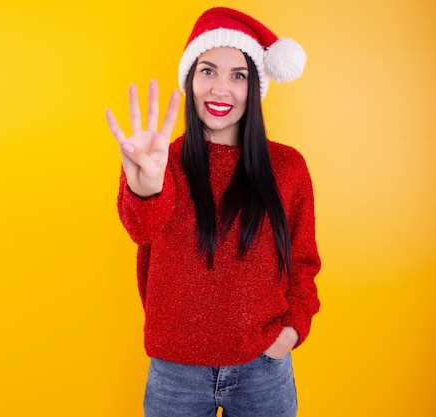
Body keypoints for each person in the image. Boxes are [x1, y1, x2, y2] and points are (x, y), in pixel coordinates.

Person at [105, 7, 320, 417]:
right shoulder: (155, 162)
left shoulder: (288, 168)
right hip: (175, 374)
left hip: (263, 369)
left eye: (238, 75)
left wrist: (290, 331)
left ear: (254, 85)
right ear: (190, 78)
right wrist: (145, 188)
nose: (221, 88)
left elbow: (303, 262)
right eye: (208, 71)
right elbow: (140, 228)